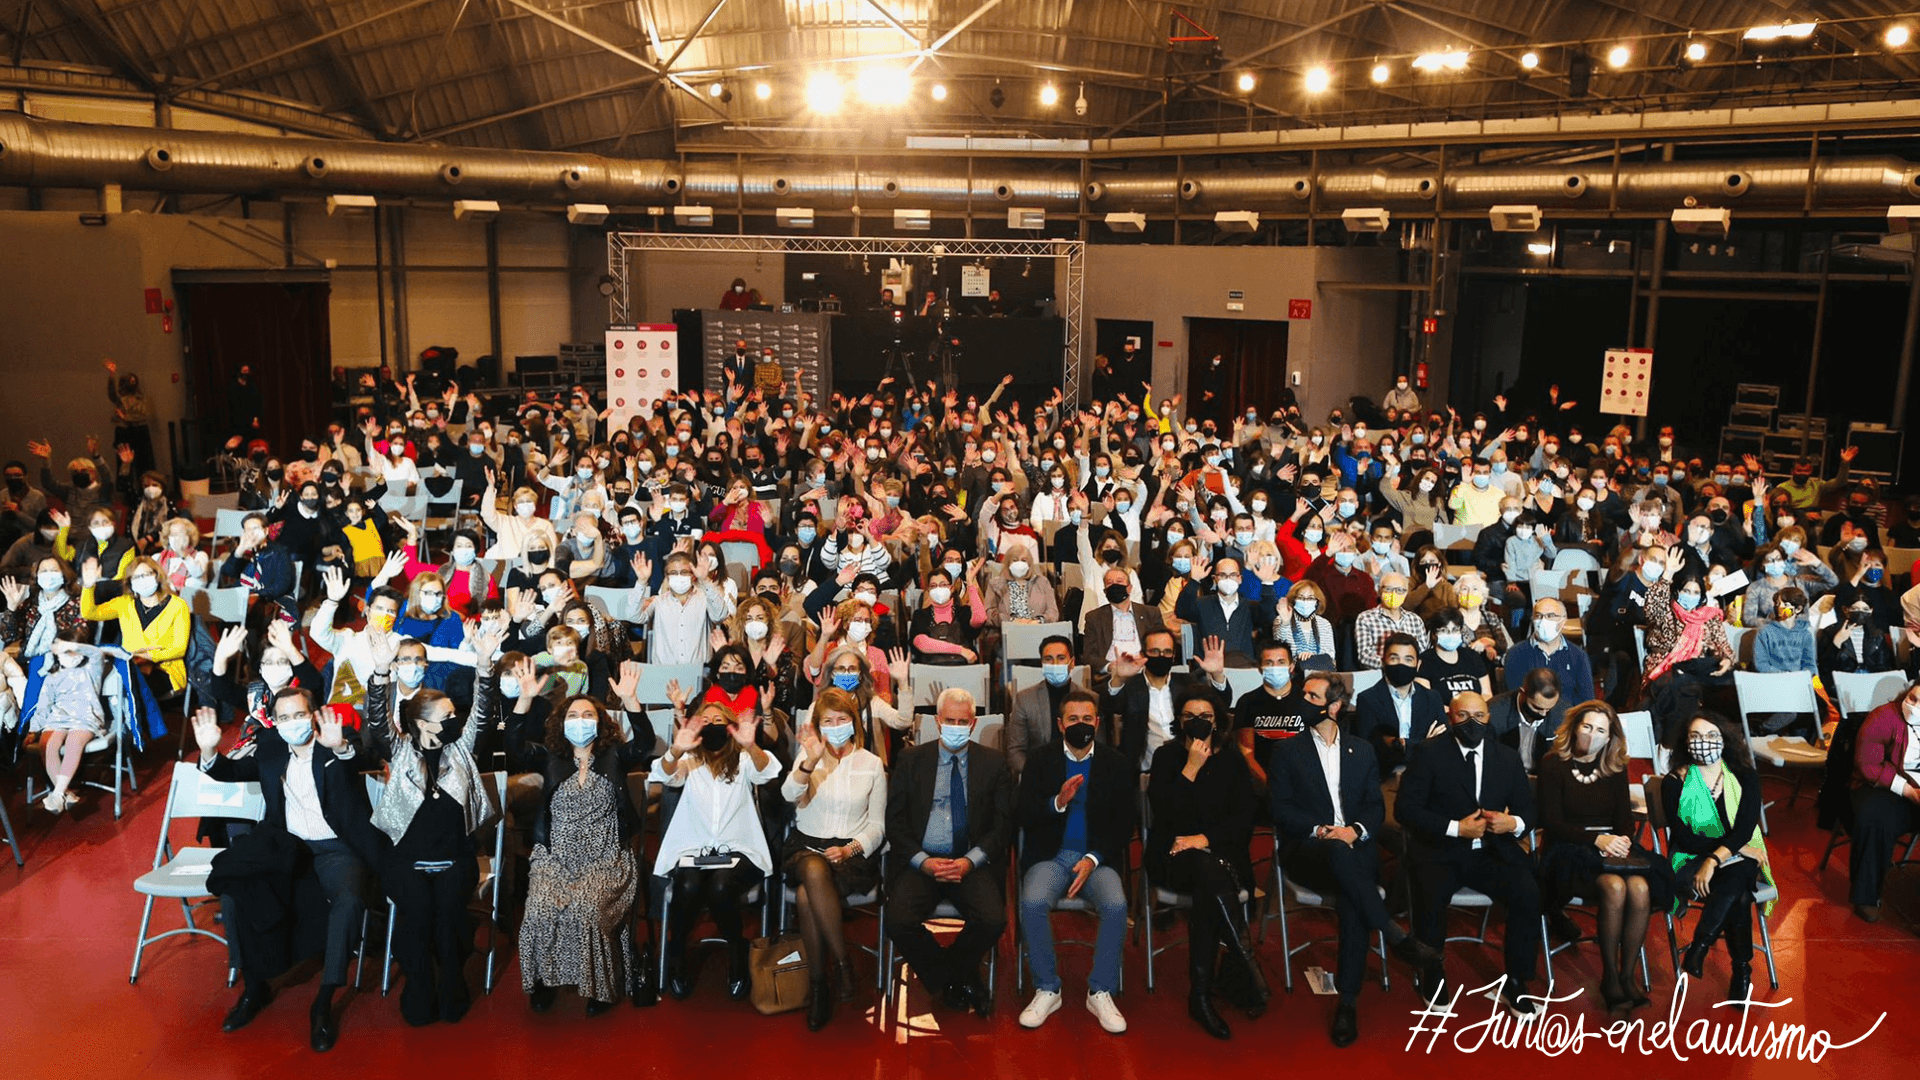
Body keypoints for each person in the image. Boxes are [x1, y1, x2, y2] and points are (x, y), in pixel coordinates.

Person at [192, 691, 384, 1053]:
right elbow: (232, 771)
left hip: (336, 846)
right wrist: (208, 752)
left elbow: (366, 758)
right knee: (235, 893)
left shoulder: (336, 739)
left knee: (349, 901)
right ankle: (254, 988)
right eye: (283, 718)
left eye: (298, 714)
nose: (292, 723)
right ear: (275, 723)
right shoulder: (270, 747)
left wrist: (341, 746)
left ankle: (324, 1001)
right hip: (287, 845)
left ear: (312, 715)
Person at [1270, 671, 1442, 1046]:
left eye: (1312, 697)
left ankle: (1347, 1003)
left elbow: (1374, 807)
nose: (1303, 702)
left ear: (1334, 706)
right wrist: (1323, 831)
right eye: (1303, 695)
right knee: (1343, 861)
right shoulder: (1287, 751)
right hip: (1309, 851)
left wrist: (1355, 831)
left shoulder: (1361, 750)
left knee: (1353, 898)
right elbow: (1280, 809)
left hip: (1355, 850)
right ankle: (1396, 936)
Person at [365, 623, 505, 1026]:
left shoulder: (462, 749)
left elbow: (482, 711)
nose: (454, 719)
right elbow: (377, 724)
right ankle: (421, 980)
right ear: (423, 723)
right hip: (405, 861)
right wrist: (380, 674)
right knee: (418, 913)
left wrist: (484, 664)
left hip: (456, 859)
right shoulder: (401, 749)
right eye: (446, 716)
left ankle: (453, 982)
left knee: (449, 917)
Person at [1397, 691, 1542, 1017]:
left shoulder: (1506, 757)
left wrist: (1513, 822)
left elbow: (1528, 810)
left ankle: (1516, 981)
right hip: (1440, 850)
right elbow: (1405, 809)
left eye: (1478, 716)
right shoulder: (1428, 753)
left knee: (1528, 893)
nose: (1471, 723)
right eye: (1463, 716)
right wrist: (1455, 828)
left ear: (1488, 718)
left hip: (1492, 852)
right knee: (1429, 894)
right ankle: (1432, 971)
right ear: (1451, 717)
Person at [513, 691, 651, 1014]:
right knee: (539, 908)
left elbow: (644, 743)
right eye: (572, 716)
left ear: (601, 723)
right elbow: (515, 748)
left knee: (587, 908)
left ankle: (602, 987)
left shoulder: (615, 756)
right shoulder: (551, 757)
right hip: (555, 861)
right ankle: (545, 981)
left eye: (588, 715)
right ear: (562, 724)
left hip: (607, 861)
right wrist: (523, 702)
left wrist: (632, 700)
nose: (580, 722)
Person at [1534, 700, 1672, 1018]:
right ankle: (1610, 976)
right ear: (1574, 727)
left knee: (1639, 887)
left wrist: (1622, 840)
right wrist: (1597, 839)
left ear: (1610, 736)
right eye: (1587, 727)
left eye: (1601, 730)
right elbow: (1551, 821)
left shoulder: (1614, 765)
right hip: (1568, 847)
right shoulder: (1553, 762)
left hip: (1609, 844)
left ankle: (1628, 974)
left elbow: (1624, 818)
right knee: (1615, 887)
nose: (1592, 735)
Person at [1145, 686, 1266, 1039]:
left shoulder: (1230, 758)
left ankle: (1200, 996)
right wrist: (1191, 769)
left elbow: (1244, 818)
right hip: (1174, 857)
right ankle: (1244, 964)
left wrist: (1205, 839)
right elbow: (1167, 816)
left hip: (1221, 854)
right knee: (1204, 872)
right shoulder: (1167, 757)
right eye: (1190, 717)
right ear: (1179, 721)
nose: (1198, 722)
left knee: (1208, 882)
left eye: (1206, 717)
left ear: (1218, 722)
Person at [885, 688, 1013, 1017]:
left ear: (972, 724)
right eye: (949, 720)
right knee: (898, 920)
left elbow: (1002, 826)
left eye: (963, 721)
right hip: (923, 863)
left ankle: (949, 975)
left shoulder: (994, 763)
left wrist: (969, 862)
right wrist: (923, 862)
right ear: (938, 722)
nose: (956, 725)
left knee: (993, 919)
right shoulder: (911, 761)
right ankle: (956, 978)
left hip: (970, 863)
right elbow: (894, 822)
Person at [1014, 690, 1135, 1034]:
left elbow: (1125, 823)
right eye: (1072, 719)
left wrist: (1094, 859)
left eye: (1086, 719)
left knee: (1115, 904)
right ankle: (1047, 987)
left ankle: (1100, 990)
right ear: (1059, 723)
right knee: (1033, 901)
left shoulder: (1116, 763)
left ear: (1097, 723)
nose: (1079, 725)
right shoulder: (1040, 760)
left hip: (1096, 859)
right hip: (1050, 857)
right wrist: (1056, 802)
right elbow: (1021, 814)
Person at [651, 700, 781, 1001]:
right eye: (705, 719)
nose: (711, 724)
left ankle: (737, 947)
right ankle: (677, 949)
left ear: (730, 725)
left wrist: (750, 746)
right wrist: (676, 750)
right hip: (693, 849)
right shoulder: (690, 761)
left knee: (721, 886)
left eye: (718, 719)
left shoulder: (744, 760)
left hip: (740, 850)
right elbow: (665, 773)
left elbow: (768, 772)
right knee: (688, 883)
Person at [781, 688, 886, 1030]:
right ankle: (842, 963)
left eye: (842, 720)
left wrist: (850, 849)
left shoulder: (871, 764)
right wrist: (809, 761)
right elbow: (787, 795)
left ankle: (818, 985)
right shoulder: (807, 756)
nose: (836, 726)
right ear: (817, 726)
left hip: (849, 855)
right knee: (812, 868)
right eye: (828, 721)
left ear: (853, 723)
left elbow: (878, 826)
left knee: (803, 896)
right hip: (805, 848)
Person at [1661, 710, 1773, 1007]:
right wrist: (1731, 850)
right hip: (1690, 857)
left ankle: (1700, 946)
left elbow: (1745, 828)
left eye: (1711, 735)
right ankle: (1741, 970)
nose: (1704, 742)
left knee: (1734, 878)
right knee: (1737, 894)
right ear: (1685, 742)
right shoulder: (1675, 781)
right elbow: (1683, 838)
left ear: (1725, 739)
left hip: (1731, 857)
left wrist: (1714, 859)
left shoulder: (1745, 775)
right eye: (1695, 736)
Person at [1848, 680, 1920, 923]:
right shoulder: (1884, 717)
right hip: (1885, 786)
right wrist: (1909, 791)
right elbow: (1868, 765)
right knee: (1876, 817)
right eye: (1912, 698)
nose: (1914, 705)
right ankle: (1865, 896)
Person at [1353, 634, 1446, 774]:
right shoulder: (1367, 699)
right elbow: (1375, 749)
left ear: (1418, 665)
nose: (1401, 664)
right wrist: (1424, 744)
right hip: (1385, 776)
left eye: (1408, 660)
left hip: (1428, 774)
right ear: (1383, 661)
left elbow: (1443, 743)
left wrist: (1403, 744)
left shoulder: (1432, 698)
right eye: (1394, 658)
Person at [1005, 635, 1082, 780]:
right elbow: (1015, 752)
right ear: (1042, 663)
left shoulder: (1089, 699)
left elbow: (1098, 748)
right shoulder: (1025, 699)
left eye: (1061, 658)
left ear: (1072, 663)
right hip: (1038, 777)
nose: (1055, 664)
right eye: (1048, 659)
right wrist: (1037, 773)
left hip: (1079, 775)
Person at [1503, 596, 1594, 704]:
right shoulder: (1516, 653)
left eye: (1551, 616)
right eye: (1538, 615)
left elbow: (1586, 699)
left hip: (1568, 717)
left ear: (1563, 620)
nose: (1543, 621)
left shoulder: (1578, 655)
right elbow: (1516, 697)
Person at [1080, 565, 1166, 680]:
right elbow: (1089, 656)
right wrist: (1111, 666)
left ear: (1129, 588)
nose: (1115, 585)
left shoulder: (1150, 613)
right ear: (1105, 591)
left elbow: (1162, 644)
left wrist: (1143, 659)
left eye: (1119, 581)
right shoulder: (1094, 618)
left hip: (1145, 671)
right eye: (1110, 583)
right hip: (1110, 675)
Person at [1489, 667, 1568, 774]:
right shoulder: (1495, 711)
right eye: (1537, 707)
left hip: (1544, 776)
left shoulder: (1562, 713)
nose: (1543, 714)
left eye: (1549, 709)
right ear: (1523, 693)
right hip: (1503, 774)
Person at [1354, 572, 1429, 670]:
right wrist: (1394, 666)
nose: (1394, 594)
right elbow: (1365, 656)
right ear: (1379, 591)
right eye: (1388, 589)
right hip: (1379, 675)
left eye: (1400, 590)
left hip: (1411, 674)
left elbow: (1422, 653)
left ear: (1406, 593)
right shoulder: (1366, 618)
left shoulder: (1415, 620)